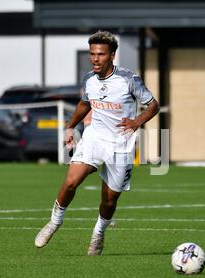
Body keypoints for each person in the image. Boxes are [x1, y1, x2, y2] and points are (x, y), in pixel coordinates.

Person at [34, 30, 159, 255]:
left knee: (109, 200)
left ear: (112, 55)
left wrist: (136, 121)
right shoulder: (89, 79)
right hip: (94, 138)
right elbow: (85, 104)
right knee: (71, 181)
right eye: (92, 54)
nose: (95, 59)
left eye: (100, 54)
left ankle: (98, 233)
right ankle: (54, 222)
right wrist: (71, 127)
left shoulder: (129, 79)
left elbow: (153, 105)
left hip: (121, 145)